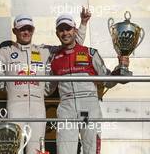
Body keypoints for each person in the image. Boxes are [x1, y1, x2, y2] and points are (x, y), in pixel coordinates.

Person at [0, 7, 91, 154]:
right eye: (22, 29)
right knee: (14, 150)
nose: (26, 32)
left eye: (29, 29)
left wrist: (83, 24)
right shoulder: (5, 52)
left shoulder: (44, 51)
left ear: (33, 30)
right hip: (15, 106)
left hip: (38, 107)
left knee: (36, 150)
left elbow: (71, 44)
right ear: (15, 31)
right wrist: (8, 88)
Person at [49, 14, 129, 154]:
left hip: (88, 106)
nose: (65, 33)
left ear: (74, 30)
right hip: (66, 108)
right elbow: (47, 89)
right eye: (61, 30)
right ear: (57, 33)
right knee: (64, 150)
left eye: (68, 29)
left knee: (90, 149)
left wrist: (121, 68)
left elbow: (107, 81)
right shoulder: (54, 58)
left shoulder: (90, 53)